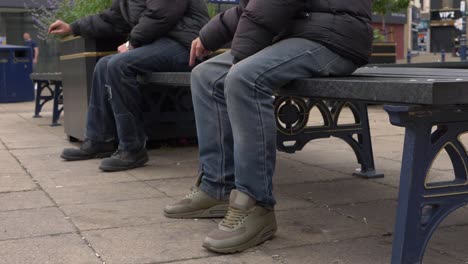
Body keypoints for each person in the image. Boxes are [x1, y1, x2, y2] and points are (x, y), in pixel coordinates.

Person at [164, 0, 373, 253]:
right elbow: (250, 7)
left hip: (334, 38)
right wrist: (208, 35)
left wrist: (240, 58)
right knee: (205, 76)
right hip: (297, 32)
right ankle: (216, 187)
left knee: (244, 78)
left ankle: (255, 205)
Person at [48, 0, 209, 172]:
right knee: (104, 65)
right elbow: (112, 19)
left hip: (186, 44)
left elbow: (162, 14)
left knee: (119, 65)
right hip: (160, 42)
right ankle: (99, 140)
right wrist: (73, 27)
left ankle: (133, 148)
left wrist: (131, 43)